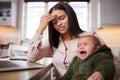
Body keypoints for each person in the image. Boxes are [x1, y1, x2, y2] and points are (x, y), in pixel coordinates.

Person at [27, 2, 105, 80]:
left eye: (62, 18)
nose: (58, 24)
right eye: (54, 22)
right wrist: (40, 29)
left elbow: (112, 62)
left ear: (71, 17)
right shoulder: (53, 42)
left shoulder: (90, 37)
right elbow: (31, 58)